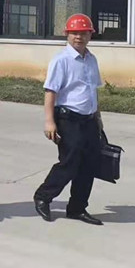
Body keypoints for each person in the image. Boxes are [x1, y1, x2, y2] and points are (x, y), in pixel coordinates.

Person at [33, 14, 105, 225]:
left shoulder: (91, 59)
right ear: (67, 35)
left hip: (89, 120)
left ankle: (77, 208)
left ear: (90, 35)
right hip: (68, 119)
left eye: (83, 33)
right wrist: (49, 121)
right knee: (70, 162)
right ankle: (43, 196)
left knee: (89, 164)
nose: (79, 37)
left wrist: (98, 118)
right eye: (74, 33)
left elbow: (93, 90)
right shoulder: (61, 60)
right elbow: (50, 92)